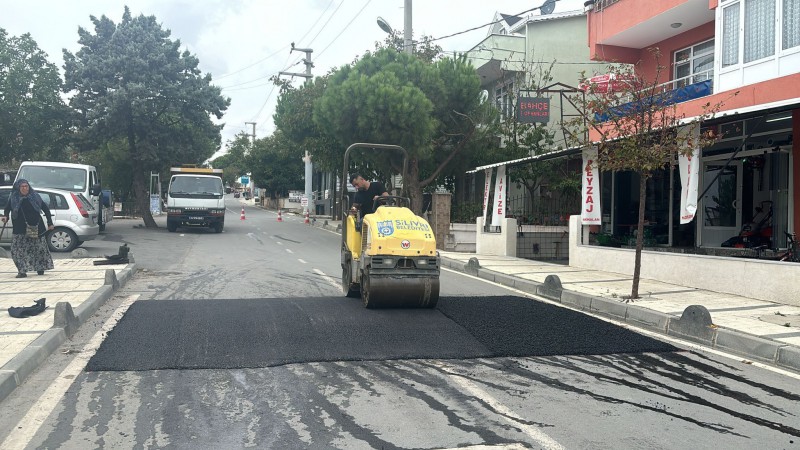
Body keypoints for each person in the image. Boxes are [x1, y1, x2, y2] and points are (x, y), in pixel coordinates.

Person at [2, 179, 55, 278]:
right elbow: (7, 209)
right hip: (19, 229)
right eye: (22, 186)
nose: (25, 188)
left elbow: (46, 209)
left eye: (26, 186)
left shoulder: (35, 197)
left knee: (39, 249)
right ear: (18, 188)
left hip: (36, 227)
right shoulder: (13, 198)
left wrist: (50, 223)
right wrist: (5, 216)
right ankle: (22, 271)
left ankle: (40, 267)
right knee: (17, 250)